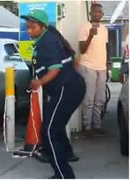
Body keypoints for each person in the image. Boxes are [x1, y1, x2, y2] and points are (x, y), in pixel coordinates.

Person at [21, 9, 86, 179]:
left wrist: (39, 83)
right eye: (27, 27)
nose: (28, 31)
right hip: (67, 88)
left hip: (67, 89)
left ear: (42, 27)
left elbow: (55, 69)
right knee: (53, 128)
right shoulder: (46, 39)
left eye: (32, 27)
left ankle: (64, 175)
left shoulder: (46, 42)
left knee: (49, 132)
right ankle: (66, 156)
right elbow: (73, 60)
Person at [78, 3, 109, 138]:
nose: (98, 14)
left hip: (101, 67)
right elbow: (82, 49)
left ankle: (97, 126)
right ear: (90, 14)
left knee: (100, 99)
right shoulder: (84, 27)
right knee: (89, 99)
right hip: (88, 66)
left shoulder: (104, 29)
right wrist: (90, 35)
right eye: (95, 12)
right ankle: (87, 127)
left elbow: (105, 49)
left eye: (100, 12)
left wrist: (107, 66)